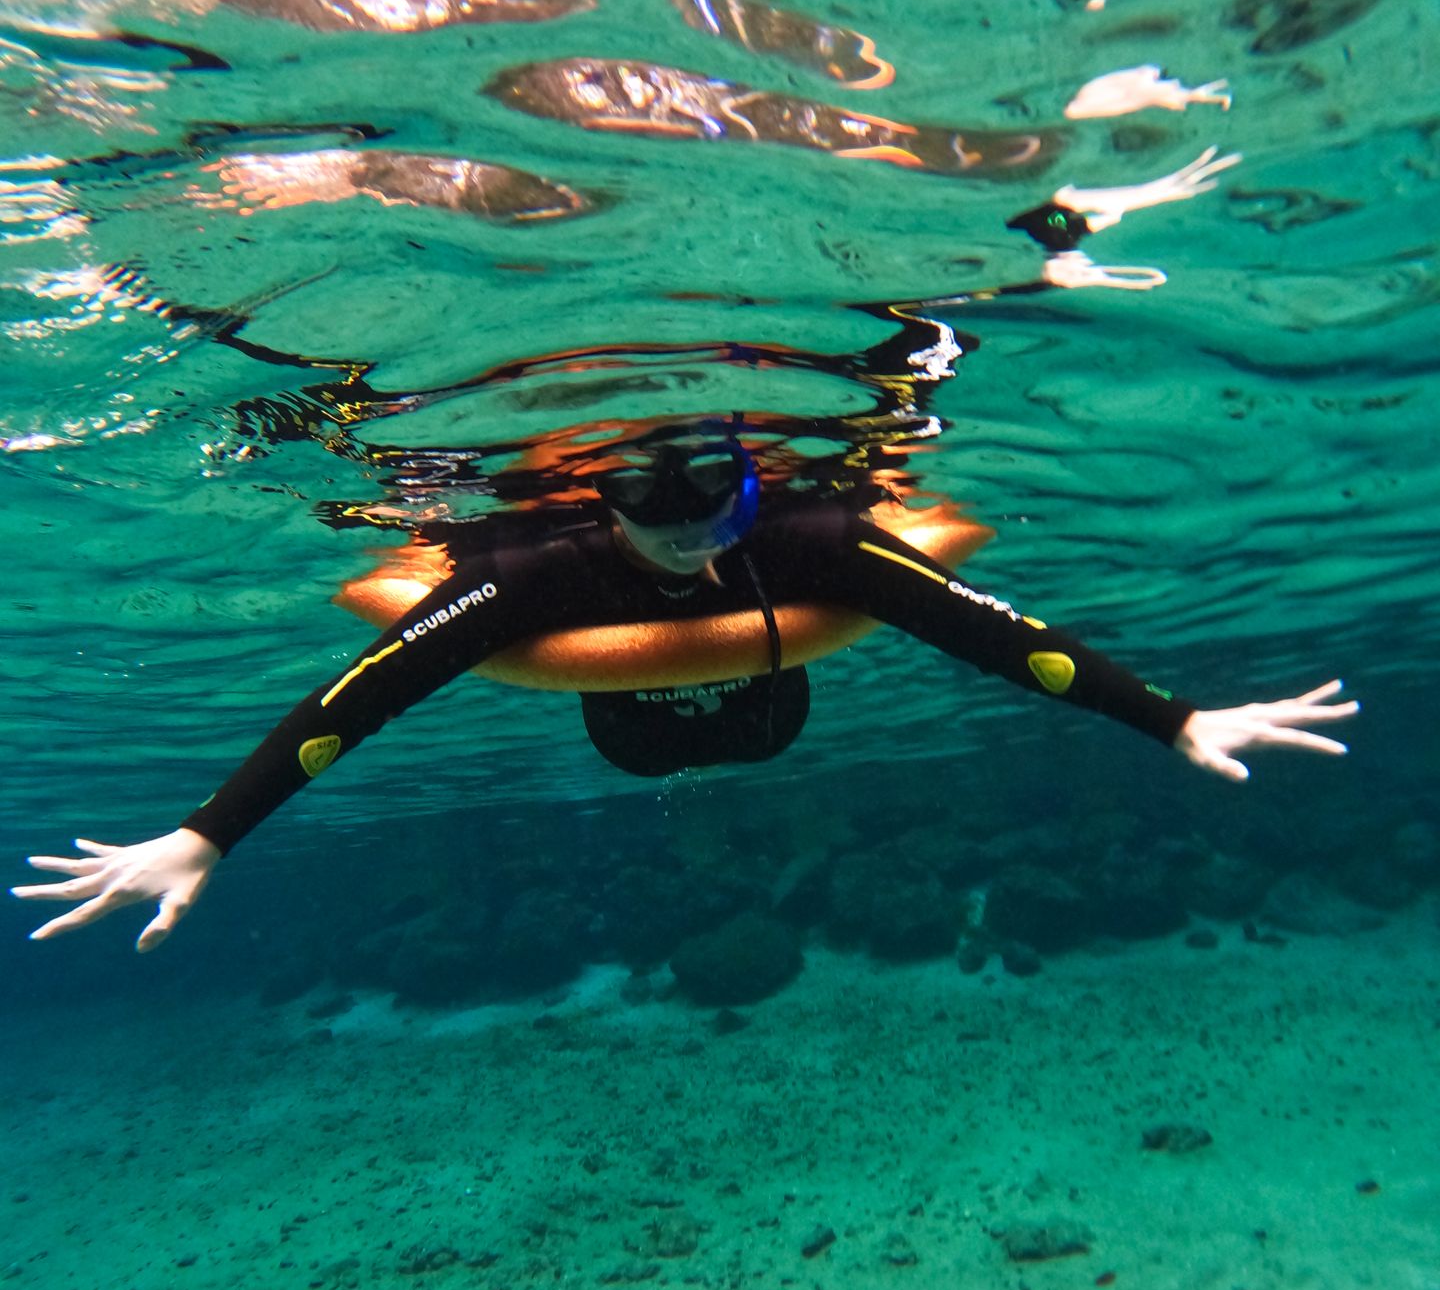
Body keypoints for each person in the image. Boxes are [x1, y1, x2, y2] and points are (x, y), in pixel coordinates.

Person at [14, 422, 1356, 953]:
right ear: (605, 505)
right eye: (657, 512)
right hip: (622, 714)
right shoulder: (532, 575)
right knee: (644, 752)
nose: (692, 533)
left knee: (763, 735)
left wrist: (1176, 721)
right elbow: (361, 698)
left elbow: (1003, 637)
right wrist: (208, 832)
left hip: (776, 682)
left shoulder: (813, 542)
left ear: (754, 484)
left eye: (720, 500)